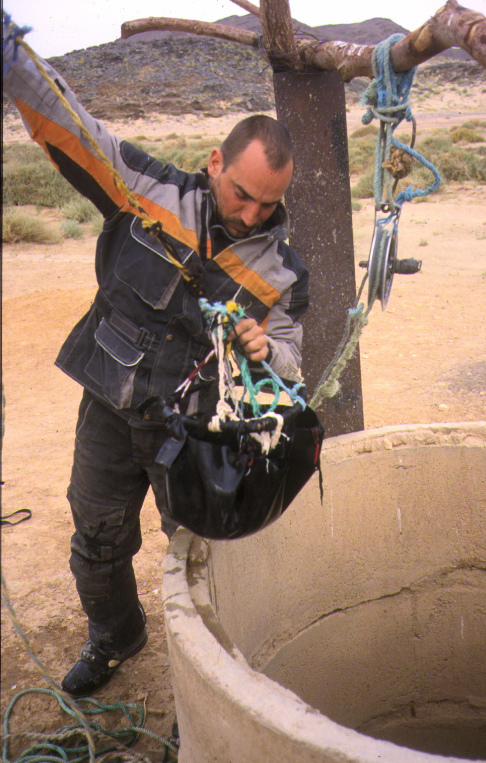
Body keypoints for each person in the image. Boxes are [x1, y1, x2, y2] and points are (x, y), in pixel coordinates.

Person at [3, 26, 309, 698]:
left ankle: (206, 686)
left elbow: (292, 357)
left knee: (203, 562)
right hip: (110, 407)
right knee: (97, 537)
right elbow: (73, 129)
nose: (252, 214)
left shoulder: (281, 272)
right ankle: (115, 637)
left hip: (197, 433)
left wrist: (269, 350)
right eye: (242, 194)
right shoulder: (148, 190)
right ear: (215, 163)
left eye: (269, 204)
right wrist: (10, 54)